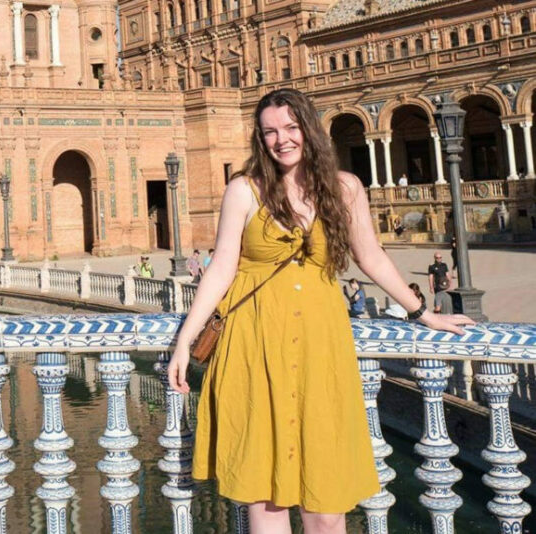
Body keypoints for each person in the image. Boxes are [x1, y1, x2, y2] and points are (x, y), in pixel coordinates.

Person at [166, 88, 472, 534]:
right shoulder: (244, 190)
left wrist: (423, 312)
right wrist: (184, 341)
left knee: (326, 506)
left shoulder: (345, 188)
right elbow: (220, 269)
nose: (281, 139)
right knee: (266, 497)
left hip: (320, 347)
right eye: (270, 131)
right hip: (255, 345)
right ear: (260, 138)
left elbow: (372, 258)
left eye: (290, 128)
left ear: (308, 129)